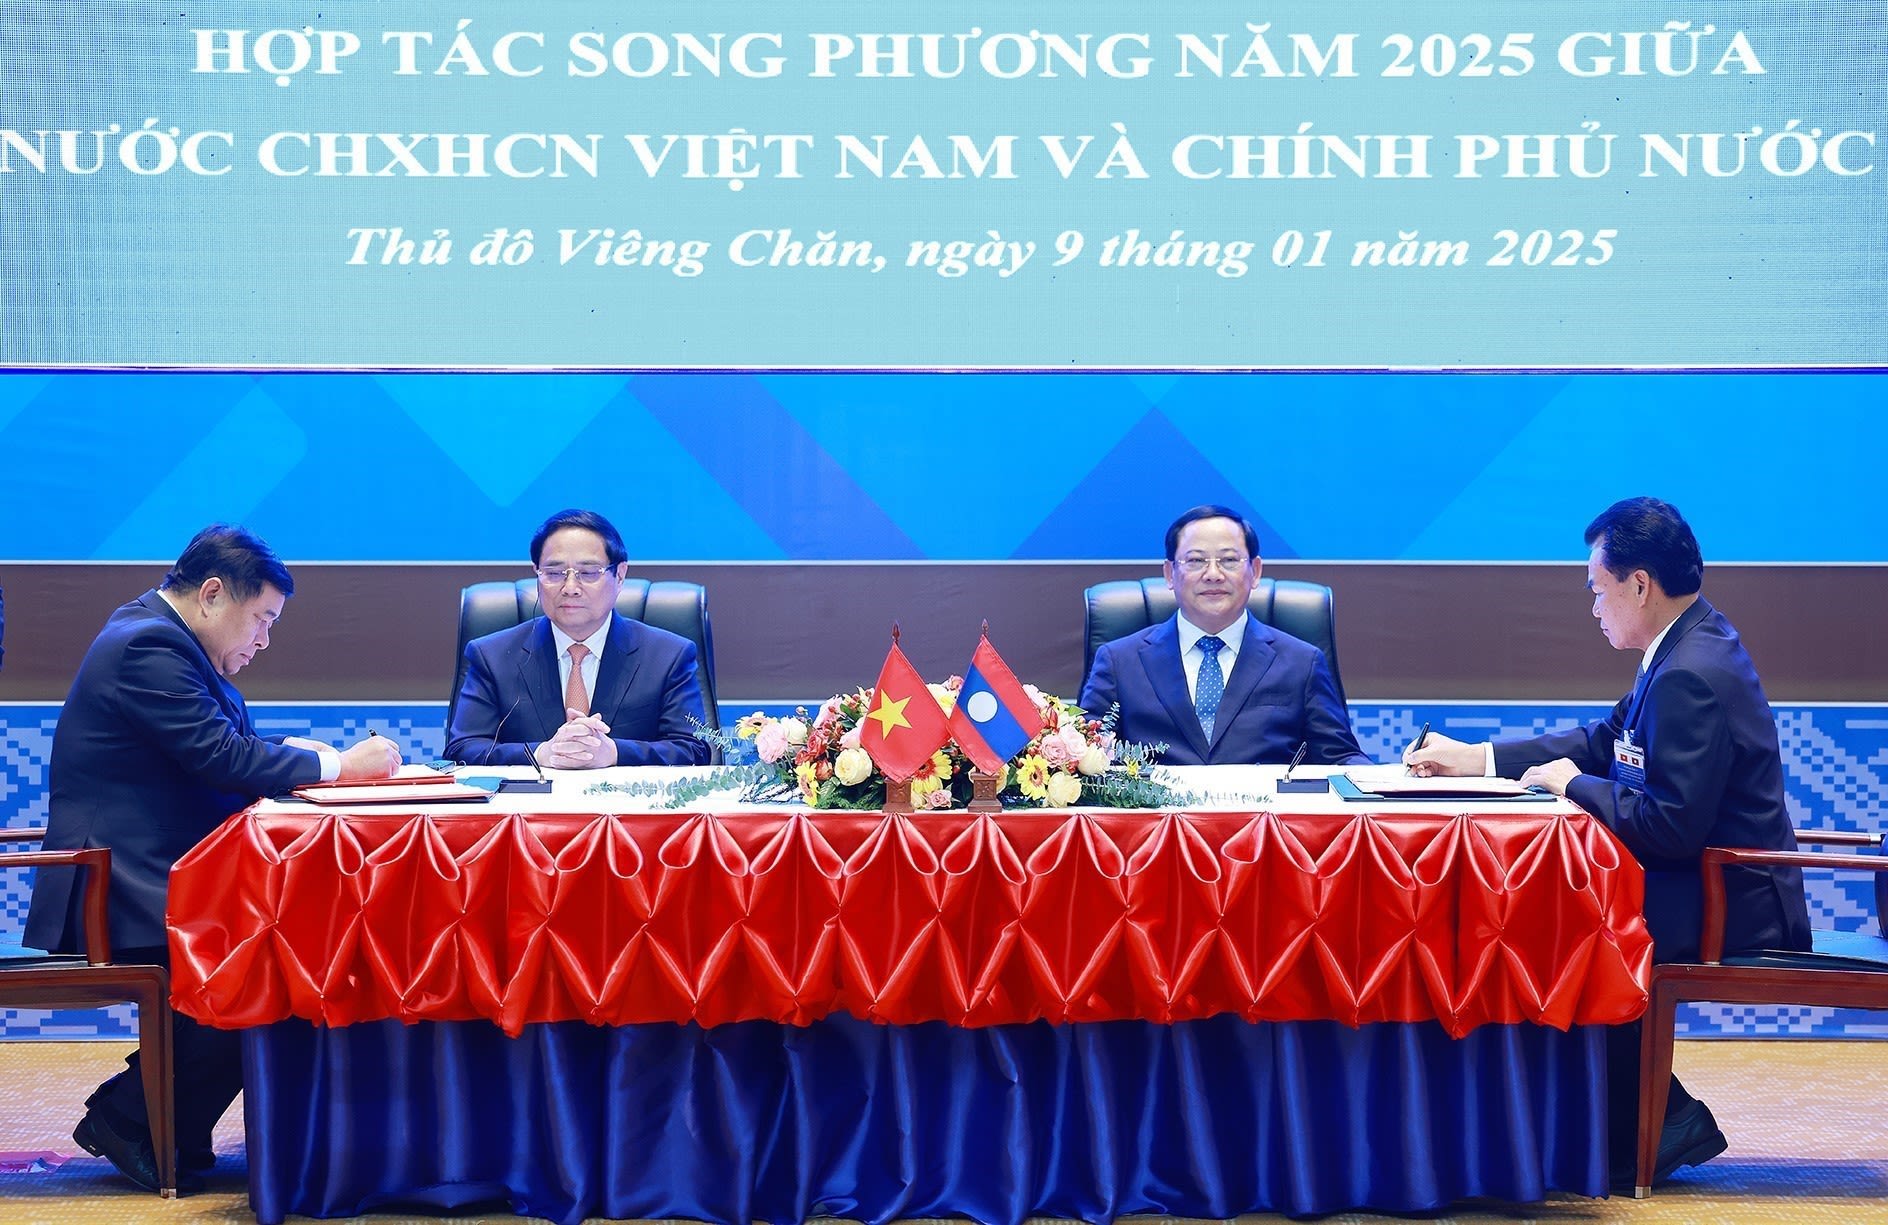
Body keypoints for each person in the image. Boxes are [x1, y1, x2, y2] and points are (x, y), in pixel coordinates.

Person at [1406, 496, 1810, 1187]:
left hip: (1731, 902)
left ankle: (1641, 1124)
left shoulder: (1690, 672)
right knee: (1544, 913)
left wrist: (1573, 787)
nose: (1594, 606)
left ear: (1639, 584)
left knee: (1553, 925)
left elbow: (1670, 828)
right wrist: (1477, 758)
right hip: (1710, 883)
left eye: (1598, 588)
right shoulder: (1685, 644)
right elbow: (1605, 741)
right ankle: (1633, 1121)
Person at [22, 525, 401, 1193]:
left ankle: (153, 1117)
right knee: (275, 962)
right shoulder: (148, 645)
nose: (264, 639)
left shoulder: (166, 639)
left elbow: (223, 742)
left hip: (157, 874)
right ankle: (130, 1117)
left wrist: (309, 756)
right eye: (263, 619)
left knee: (295, 945)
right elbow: (220, 756)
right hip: (121, 888)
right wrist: (340, 766)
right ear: (214, 593)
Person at [1079, 505, 1367, 766]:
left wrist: (1389, 781)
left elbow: (1340, 758)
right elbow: (1083, 758)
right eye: (1196, 560)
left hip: (1265, 809)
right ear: (1169, 574)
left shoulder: (1302, 662)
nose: (1213, 574)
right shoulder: (1119, 661)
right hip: (1154, 809)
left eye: (1229, 560)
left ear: (1255, 571)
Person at [445, 509, 711, 768]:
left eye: (589, 572)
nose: (570, 588)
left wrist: (614, 753)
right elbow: (462, 749)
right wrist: (540, 753)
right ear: (537, 573)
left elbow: (694, 749)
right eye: (554, 573)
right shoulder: (491, 656)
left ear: (619, 576)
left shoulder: (669, 655)